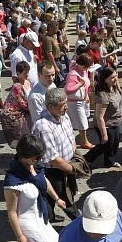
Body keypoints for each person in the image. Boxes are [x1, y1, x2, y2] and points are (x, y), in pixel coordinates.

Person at [4, 135, 64, 242]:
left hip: (41, 217)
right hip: (28, 224)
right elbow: (12, 212)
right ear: (23, 155)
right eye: (35, 157)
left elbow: (43, 180)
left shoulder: (35, 166)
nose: (39, 160)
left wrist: (57, 198)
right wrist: (20, 236)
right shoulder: (12, 181)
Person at [31, 88, 81, 222]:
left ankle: (48, 217)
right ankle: (80, 224)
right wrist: (72, 169)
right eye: (62, 105)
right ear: (50, 107)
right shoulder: (43, 126)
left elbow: (71, 138)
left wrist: (73, 158)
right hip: (52, 171)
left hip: (65, 166)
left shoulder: (63, 116)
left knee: (49, 197)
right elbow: (53, 160)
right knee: (65, 198)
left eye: (66, 103)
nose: (66, 107)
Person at [84, 67, 122, 169]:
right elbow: (99, 117)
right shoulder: (103, 95)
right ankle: (87, 159)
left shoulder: (113, 87)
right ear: (104, 79)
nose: (115, 79)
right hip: (106, 125)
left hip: (115, 122)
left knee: (114, 143)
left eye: (116, 76)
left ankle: (109, 161)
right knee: (105, 144)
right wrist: (104, 134)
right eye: (112, 77)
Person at [0, 60, 33, 148]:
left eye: (27, 72)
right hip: (14, 114)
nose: (27, 75)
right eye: (24, 73)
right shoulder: (17, 86)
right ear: (18, 73)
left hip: (24, 111)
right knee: (21, 137)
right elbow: (23, 104)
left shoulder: (27, 82)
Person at [64, 53, 94, 149]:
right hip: (75, 102)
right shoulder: (73, 74)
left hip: (82, 100)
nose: (87, 69)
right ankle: (84, 142)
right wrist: (80, 84)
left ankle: (81, 141)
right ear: (82, 65)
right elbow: (68, 90)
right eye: (86, 67)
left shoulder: (82, 70)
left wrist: (86, 95)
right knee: (82, 123)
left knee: (82, 121)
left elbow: (86, 83)